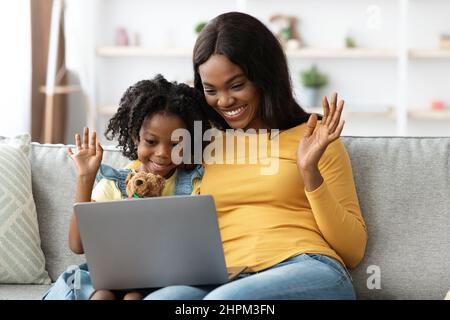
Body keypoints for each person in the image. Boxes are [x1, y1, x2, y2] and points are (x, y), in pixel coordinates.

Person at [143, 12, 367, 300]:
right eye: (211, 90)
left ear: (264, 77)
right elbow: (144, 169)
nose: (224, 101)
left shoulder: (314, 137)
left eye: (236, 85)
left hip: (306, 268)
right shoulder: (201, 140)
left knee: (225, 303)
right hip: (223, 276)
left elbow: (353, 251)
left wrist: (310, 172)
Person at [42, 74, 210, 300]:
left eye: (175, 144)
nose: (162, 153)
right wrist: (85, 176)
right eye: (151, 141)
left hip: (163, 280)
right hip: (110, 277)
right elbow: (77, 245)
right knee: (100, 295)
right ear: (134, 138)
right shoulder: (115, 183)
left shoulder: (194, 183)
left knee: (133, 298)